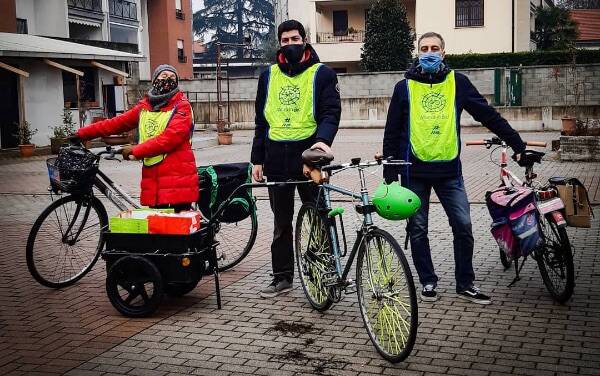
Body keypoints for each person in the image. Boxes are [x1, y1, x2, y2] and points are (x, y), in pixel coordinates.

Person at [383, 32, 529, 305]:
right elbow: (392, 131)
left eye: (434, 48)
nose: (429, 53)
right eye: (424, 48)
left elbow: (488, 115)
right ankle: (428, 281)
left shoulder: (457, 83)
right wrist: (390, 172)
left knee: (463, 226)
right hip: (413, 172)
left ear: (444, 53)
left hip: (450, 172)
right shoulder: (403, 88)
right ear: (417, 52)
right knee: (418, 229)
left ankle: (465, 282)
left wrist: (516, 143)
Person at [251, 20, 341, 298]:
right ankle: (282, 277)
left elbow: (331, 112)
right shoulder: (268, 76)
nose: (290, 44)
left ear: (305, 40)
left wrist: (322, 142)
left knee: (318, 218)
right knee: (281, 223)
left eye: (294, 39)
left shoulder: (322, 73)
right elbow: (261, 121)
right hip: (276, 159)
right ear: (280, 43)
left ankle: (325, 274)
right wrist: (257, 160)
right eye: (285, 40)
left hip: (308, 158)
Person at [75, 64, 198, 211]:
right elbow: (117, 123)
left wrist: (136, 150)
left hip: (178, 178)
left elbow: (169, 139)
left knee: (176, 229)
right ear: (154, 80)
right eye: (164, 77)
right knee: (156, 227)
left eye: (172, 78)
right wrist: (82, 134)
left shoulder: (182, 106)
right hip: (153, 176)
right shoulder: (145, 107)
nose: (168, 81)